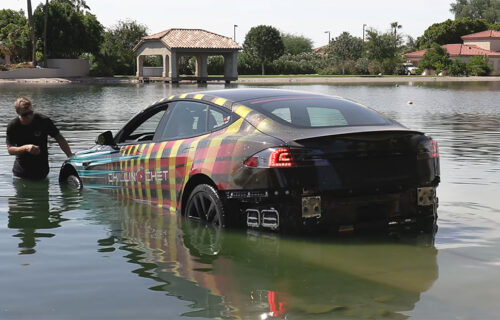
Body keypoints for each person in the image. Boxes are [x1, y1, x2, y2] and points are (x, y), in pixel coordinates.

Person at [6, 97, 73, 180]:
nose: (29, 116)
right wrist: (26, 148)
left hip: (42, 172)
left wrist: (70, 156)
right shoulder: (13, 126)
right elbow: (10, 150)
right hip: (21, 174)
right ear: (18, 112)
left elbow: (59, 138)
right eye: (25, 115)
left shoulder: (43, 121)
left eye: (31, 113)